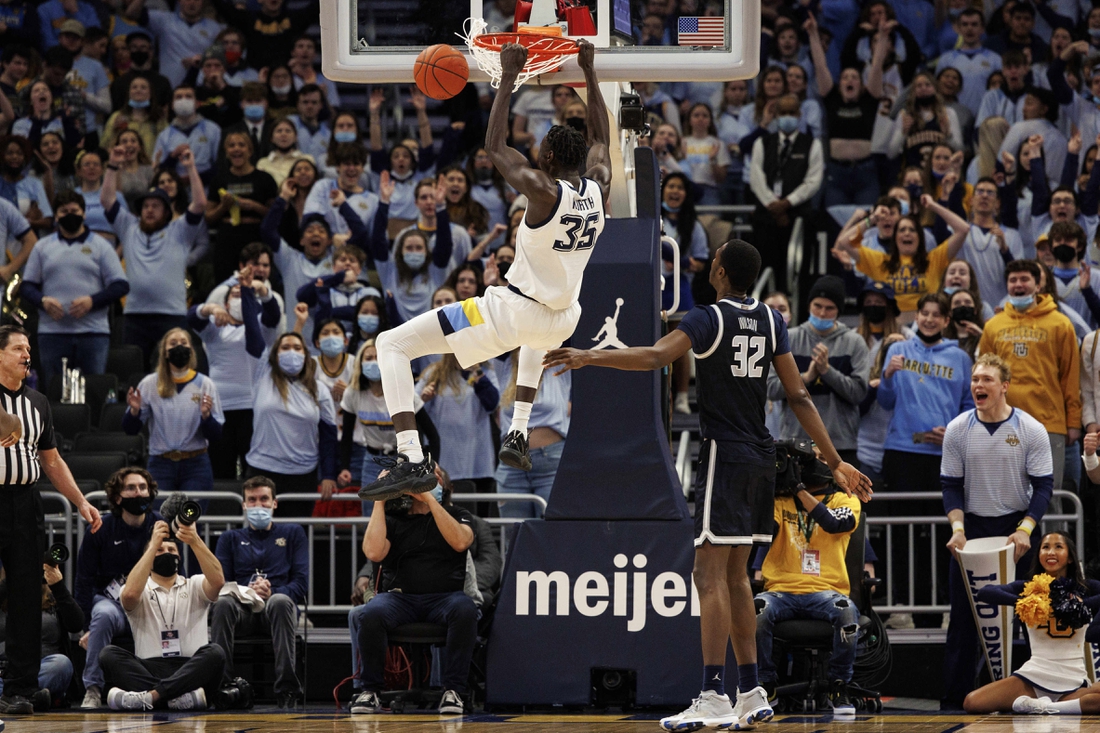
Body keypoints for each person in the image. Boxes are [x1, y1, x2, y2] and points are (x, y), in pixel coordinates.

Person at [543, 241, 871, 730]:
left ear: (718, 269)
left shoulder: (706, 317)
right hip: (762, 456)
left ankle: (713, 692)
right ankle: (752, 690)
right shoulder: (771, 319)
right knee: (736, 576)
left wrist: (591, 356)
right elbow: (799, 394)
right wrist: (836, 461)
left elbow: (656, 357)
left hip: (725, 454)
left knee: (707, 576)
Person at [359, 40, 611, 501]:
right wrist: (589, 73)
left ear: (549, 161)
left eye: (540, 151)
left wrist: (510, 73)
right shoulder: (598, 186)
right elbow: (602, 136)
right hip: (564, 316)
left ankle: (410, 455)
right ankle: (516, 431)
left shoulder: (542, 190)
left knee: (391, 343)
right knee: (537, 335)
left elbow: (495, 146)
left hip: (510, 313)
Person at [939, 353, 1054, 709]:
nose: (978, 385)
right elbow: (951, 486)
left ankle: (1036, 693)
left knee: (1028, 614)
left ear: (1004, 386)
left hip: (1016, 527)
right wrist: (957, 529)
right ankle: (955, 699)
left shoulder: (1029, 429)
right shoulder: (959, 428)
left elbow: (1044, 486)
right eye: (975, 379)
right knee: (963, 616)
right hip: (972, 528)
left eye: (987, 379)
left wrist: (1026, 529)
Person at [0, 324, 102, 716]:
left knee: (27, 595)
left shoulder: (38, 402)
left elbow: (52, 460)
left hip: (27, 502)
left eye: (29, 348)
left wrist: (79, 502)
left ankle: (19, 689)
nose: (27, 354)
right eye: (18, 348)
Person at [349, 479, 478, 715]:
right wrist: (380, 497)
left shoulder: (458, 514)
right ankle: (371, 691)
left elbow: (461, 542)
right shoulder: (394, 519)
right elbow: (373, 552)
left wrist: (428, 498)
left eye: (434, 478)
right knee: (371, 612)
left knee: (465, 609)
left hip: (445, 598)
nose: (427, 482)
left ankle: (454, 691)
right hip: (400, 599)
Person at [753, 450, 861, 716]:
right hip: (780, 592)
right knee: (756, 610)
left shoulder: (845, 499)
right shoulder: (780, 500)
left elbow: (835, 524)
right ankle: (765, 684)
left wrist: (799, 490)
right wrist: (768, 487)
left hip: (827, 592)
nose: (817, 464)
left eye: (823, 459)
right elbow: (762, 532)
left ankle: (839, 684)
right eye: (812, 458)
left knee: (847, 611)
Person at [962, 533, 1100, 714]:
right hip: (1034, 675)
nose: (1051, 552)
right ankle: (1058, 707)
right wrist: (1027, 601)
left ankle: (1044, 707)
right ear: (1039, 555)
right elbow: (986, 592)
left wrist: (1077, 605)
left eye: (1058, 547)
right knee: (972, 702)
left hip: (1072, 678)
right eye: (1045, 547)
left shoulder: (1085, 589)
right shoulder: (1028, 588)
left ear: (1070, 558)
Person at [99, 518, 226, 711]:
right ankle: (176, 698)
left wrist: (194, 540)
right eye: (159, 550)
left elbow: (217, 582)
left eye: (172, 550)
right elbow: (130, 595)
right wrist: (152, 545)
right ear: (148, 559)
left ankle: (152, 697)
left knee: (215, 652)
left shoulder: (194, 584)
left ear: (179, 558)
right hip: (150, 666)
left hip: (191, 667)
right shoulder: (137, 588)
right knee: (108, 654)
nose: (166, 553)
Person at [978, 259, 1080, 496]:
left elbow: (1070, 376)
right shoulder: (993, 326)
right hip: (1001, 423)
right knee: (1006, 495)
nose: (1018, 285)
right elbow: (983, 378)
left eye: (1025, 279)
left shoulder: (1061, 324)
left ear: (1038, 285)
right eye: (1013, 280)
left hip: (1049, 424)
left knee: (1047, 496)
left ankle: (1053, 535)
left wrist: (1073, 422)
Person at [102, 144, 207, 370]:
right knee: (133, 375)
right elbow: (107, 200)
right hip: (135, 316)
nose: (149, 210)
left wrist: (190, 168)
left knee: (173, 372)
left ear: (167, 212)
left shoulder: (179, 231)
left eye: (156, 206)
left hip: (171, 315)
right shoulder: (129, 227)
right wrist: (111, 167)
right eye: (146, 206)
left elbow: (199, 204)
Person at [240, 272, 338, 504]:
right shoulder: (263, 375)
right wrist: (246, 292)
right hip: (262, 470)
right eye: (285, 347)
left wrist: (329, 474)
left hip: (303, 474)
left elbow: (328, 436)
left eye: (297, 348)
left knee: (297, 536)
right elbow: (253, 332)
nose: (292, 352)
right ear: (275, 355)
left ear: (306, 356)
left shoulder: (320, 389)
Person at [211, 476, 307, 708]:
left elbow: (302, 583)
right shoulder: (229, 538)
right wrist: (249, 591)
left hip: (276, 613)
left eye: (264, 499)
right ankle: (224, 686)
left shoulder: (293, 533)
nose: (258, 505)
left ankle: (287, 690)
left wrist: (271, 591)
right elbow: (220, 583)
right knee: (222, 603)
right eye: (251, 500)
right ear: (244, 505)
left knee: (281, 601)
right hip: (242, 612)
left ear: (274, 503)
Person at [20, 189, 128, 385]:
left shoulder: (101, 245)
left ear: (84, 213)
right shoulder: (42, 247)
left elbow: (120, 285)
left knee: (94, 391)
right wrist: (43, 301)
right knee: (53, 390)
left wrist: (92, 301)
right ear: (56, 216)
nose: (69, 215)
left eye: (74, 210)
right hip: (52, 333)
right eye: (63, 211)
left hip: (93, 333)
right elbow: (27, 286)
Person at [74, 467, 160, 709]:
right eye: (131, 488)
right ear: (117, 496)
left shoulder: (160, 526)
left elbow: (175, 570)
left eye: (143, 488)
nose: (138, 493)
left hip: (150, 602)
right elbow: (84, 579)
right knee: (101, 615)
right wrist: (85, 626)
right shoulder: (101, 528)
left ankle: (165, 688)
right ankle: (92, 689)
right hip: (111, 602)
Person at [767, 275, 869, 467]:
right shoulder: (789, 339)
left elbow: (859, 393)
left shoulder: (854, 342)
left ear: (839, 311)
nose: (822, 313)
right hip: (797, 442)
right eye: (817, 306)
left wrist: (827, 371)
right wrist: (806, 377)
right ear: (809, 306)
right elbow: (771, 389)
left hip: (841, 444)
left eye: (829, 308)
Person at [122, 328, 224, 495]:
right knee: (161, 518)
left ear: (191, 350)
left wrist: (206, 416)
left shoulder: (205, 384)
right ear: (165, 352)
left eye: (184, 343)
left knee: (190, 515)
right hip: (161, 464)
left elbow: (216, 434)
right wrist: (134, 411)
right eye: (173, 343)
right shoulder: (149, 383)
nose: (179, 347)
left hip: (195, 464)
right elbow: (130, 429)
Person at [748, 93, 823, 288]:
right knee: (764, 271)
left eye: (792, 112)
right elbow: (756, 177)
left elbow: (813, 181)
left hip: (798, 216)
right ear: (776, 114)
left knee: (799, 274)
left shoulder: (812, 145)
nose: (787, 116)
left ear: (799, 114)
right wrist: (773, 205)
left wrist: (787, 203)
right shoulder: (762, 143)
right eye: (783, 112)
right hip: (766, 217)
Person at [0, 557, 83, 710]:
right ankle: (32, 698)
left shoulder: (52, 600)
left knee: (61, 664)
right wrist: (12, 579)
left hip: (42, 668)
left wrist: (58, 586)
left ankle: (15, 697)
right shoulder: (3, 596)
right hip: (5, 672)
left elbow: (77, 624)